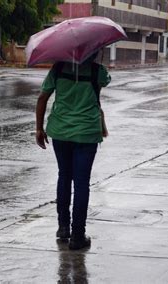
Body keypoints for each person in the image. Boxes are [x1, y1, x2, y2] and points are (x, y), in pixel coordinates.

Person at [35, 52, 111, 250]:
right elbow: (104, 81)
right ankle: (78, 236)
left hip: (60, 132)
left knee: (64, 176)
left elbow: (42, 97)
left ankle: (63, 228)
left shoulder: (58, 68)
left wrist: (39, 128)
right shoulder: (98, 71)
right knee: (81, 182)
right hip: (87, 133)